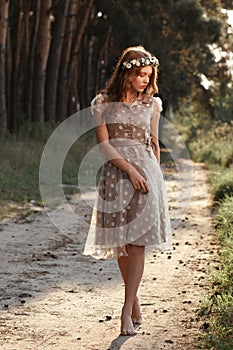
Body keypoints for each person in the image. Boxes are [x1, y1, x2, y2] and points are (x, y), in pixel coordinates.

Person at [83, 46, 172, 336]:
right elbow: (104, 144)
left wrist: (152, 175)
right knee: (122, 240)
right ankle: (134, 299)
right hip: (117, 174)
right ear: (127, 72)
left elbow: (154, 143)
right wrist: (130, 170)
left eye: (149, 75)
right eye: (140, 74)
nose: (145, 80)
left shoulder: (153, 105)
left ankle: (125, 310)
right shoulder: (103, 102)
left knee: (137, 243)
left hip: (146, 176)